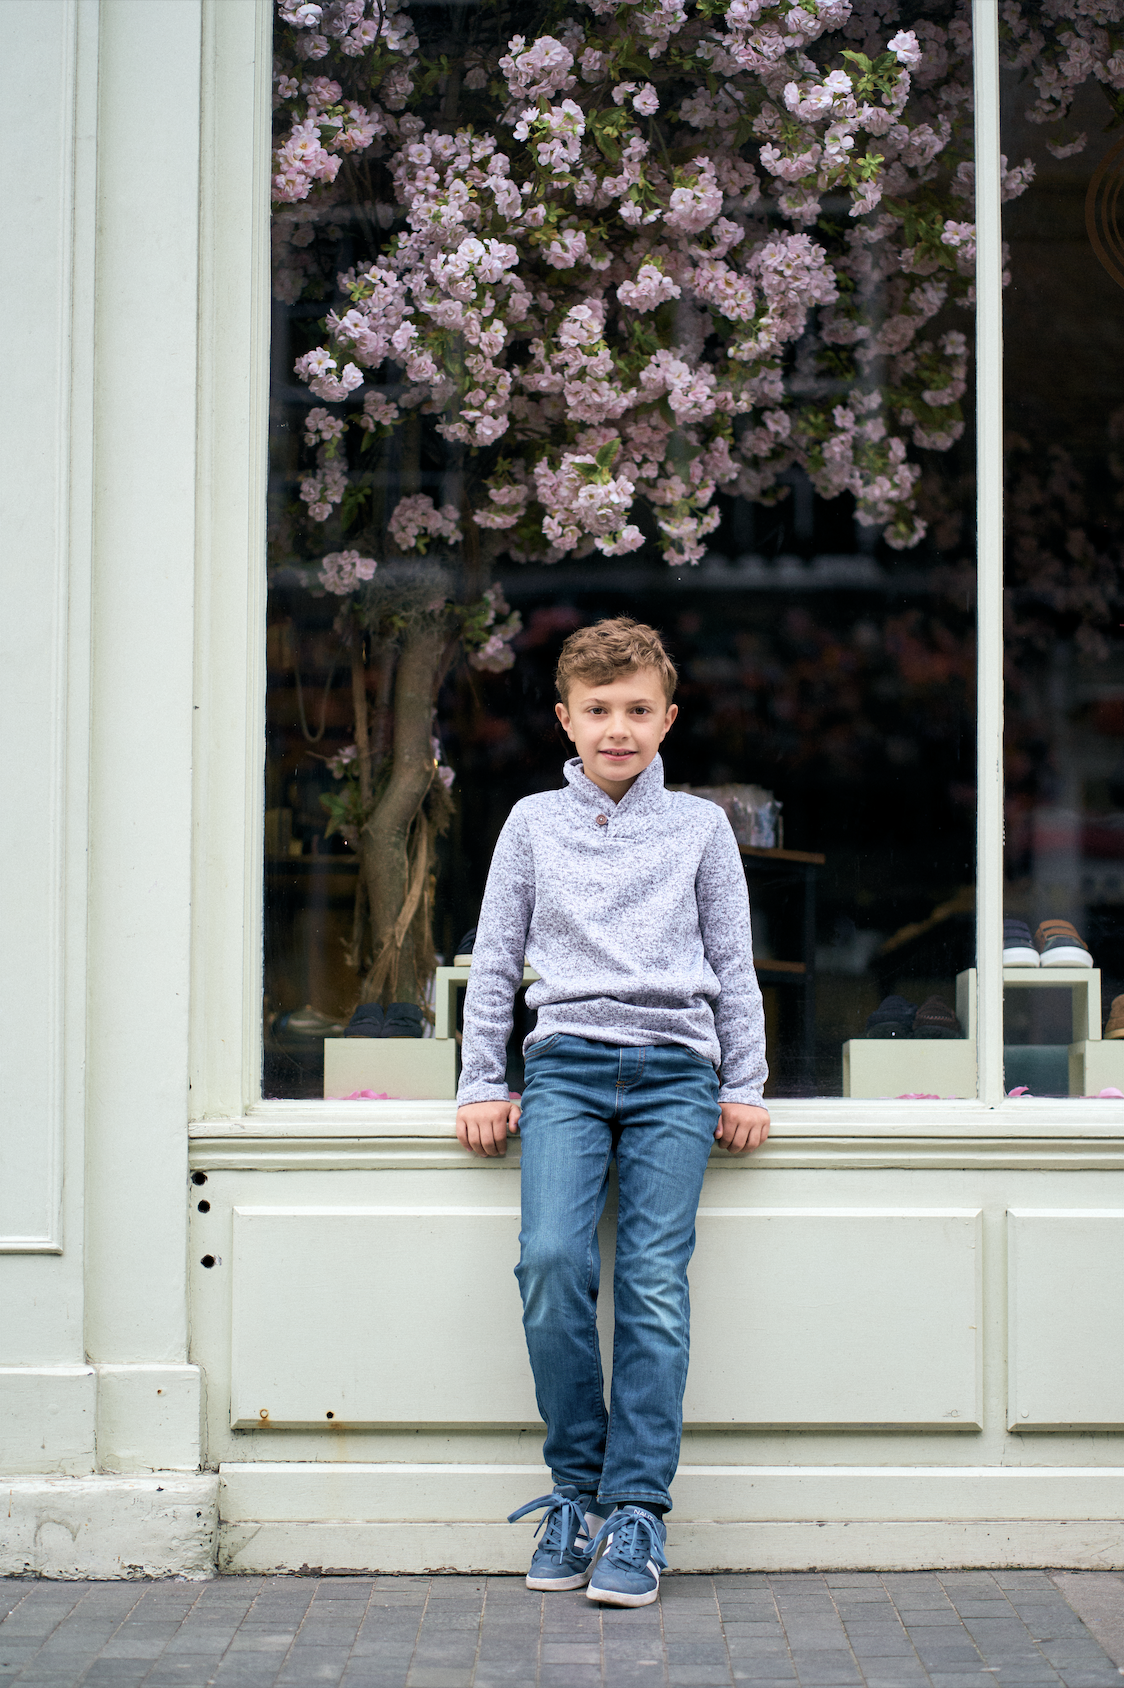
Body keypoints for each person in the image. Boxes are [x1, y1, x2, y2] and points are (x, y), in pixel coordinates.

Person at [455, 616, 770, 1608]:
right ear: (565, 716)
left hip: (677, 1070)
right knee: (551, 1259)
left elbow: (732, 963)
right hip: (564, 1065)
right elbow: (494, 959)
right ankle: (574, 1491)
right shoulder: (530, 822)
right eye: (598, 710)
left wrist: (744, 1084)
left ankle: (635, 1508)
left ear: (666, 716)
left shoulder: (699, 828)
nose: (618, 728)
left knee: (649, 1282)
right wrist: (478, 1079)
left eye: (637, 709)